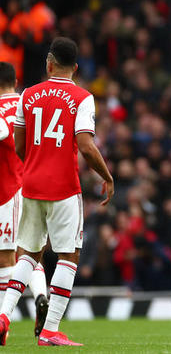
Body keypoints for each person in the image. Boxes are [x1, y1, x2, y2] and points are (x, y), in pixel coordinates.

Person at [0, 37, 114, 346]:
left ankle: (4, 314)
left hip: (31, 185)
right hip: (63, 187)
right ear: (75, 68)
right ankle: (50, 330)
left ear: (49, 63)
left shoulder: (28, 96)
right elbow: (87, 147)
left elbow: (19, 145)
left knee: (28, 254)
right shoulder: (83, 98)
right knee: (68, 255)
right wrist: (107, 176)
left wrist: (36, 164)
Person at [0, 62, 49, 337]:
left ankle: (2, 323)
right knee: (29, 255)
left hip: (7, 194)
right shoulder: (27, 105)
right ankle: (41, 295)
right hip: (34, 188)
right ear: (16, 80)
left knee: (6, 260)